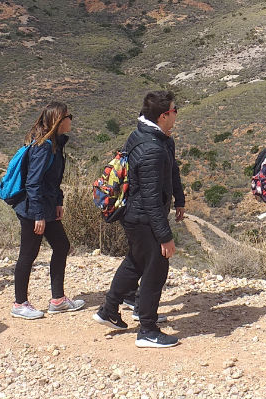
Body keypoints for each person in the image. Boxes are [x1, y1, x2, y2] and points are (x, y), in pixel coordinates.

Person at [93, 91, 185, 348]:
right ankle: (147, 329)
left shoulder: (150, 137)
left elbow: (172, 171)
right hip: (144, 217)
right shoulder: (152, 149)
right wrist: (165, 236)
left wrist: (179, 198)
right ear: (163, 115)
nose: (177, 114)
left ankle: (108, 310)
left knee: (135, 262)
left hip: (135, 215)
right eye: (175, 110)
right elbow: (151, 199)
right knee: (157, 268)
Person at [10, 102, 85, 319]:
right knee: (28, 254)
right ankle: (19, 303)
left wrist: (58, 202)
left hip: (47, 206)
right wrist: (39, 215)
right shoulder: (43, 147)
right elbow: (34, 183)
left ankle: (58, 300)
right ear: (59, 121)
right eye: (69, 116)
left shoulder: (55, 144)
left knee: (62, 245)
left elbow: (52, 181)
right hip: (33, 209)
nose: (72, 119)